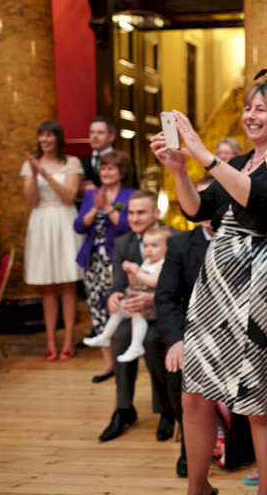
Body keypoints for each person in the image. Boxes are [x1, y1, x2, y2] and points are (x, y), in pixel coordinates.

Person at [151, 68, 267, 495]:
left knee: (258, 395)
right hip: (217, 277)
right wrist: (181, 168)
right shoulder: (237, 162)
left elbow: (258, 202)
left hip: (262, 273)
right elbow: (198, 210)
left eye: (262, 109)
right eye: (247, 108)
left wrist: (205, 155)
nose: (251, 115)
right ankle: (198, 487)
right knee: (194, 391)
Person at [96, 189, 176, 444]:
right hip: (136, 313)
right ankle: (123, 409)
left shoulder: (174, 239)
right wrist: (115, 295)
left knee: (153, 341)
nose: (134, 218)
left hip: (166, 313)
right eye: (131, 212)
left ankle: (167, 410)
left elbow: (180, 287)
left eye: (141, 212)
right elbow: (119, 283)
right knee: (121, 337)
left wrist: (153, 299)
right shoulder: (124, 243)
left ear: (156, 213)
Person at [155, 176, 216, 478]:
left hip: (235, 331)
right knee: (175, 365)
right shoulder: (180, 244)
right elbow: (166, 297)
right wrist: (177, 340)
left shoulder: (244, 239)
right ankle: (190, 451)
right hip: (193, 331)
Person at [21, 120, 84, 361]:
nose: (45, 140)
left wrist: (45, 173)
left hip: (64, 219)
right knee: (47, 285)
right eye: (41, 135)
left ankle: (68, 340)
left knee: (68, 283)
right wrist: (34, 175)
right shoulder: (29, 165)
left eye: (50, 135)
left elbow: (69, 196)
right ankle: (51, 342)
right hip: (41, 221)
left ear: (58, 138)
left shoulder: (72, 163)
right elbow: (31, 201)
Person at [74, 151, 136, 382]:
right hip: (94, 261)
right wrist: (93, 209)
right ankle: (108, 364)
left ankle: (126, 358)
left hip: (118, 260)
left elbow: (128, 227)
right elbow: (79, 226)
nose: (106, 173)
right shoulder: (92, 195)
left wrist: (109, 208)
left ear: (121, 172)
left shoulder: (130, 195)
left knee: (119, 307)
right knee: (98, 311)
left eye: (111, 168)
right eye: (103, 169)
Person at [85, 225, 171, 362]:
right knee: (119, 308)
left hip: (154, 306)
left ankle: (136, 346)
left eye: (154, 246)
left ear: (167, 247)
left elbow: (154, 282)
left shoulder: (163, 263)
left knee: (136, 313)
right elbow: (135, 284)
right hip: (140, 300)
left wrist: (137, 271)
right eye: (146, 245)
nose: (148, 249)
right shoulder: (148, 262)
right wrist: (130, 273)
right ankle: (105, 336)